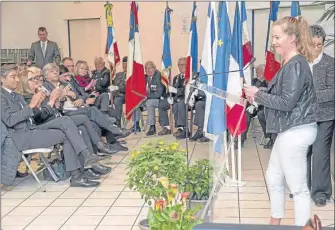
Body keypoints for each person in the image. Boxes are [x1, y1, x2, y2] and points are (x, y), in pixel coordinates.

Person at [244, 16, 317, 226]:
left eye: (277, 37)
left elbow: (286, 103)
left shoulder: (295, 64)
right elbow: (284, 95)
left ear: (292, 38)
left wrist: (258, 94)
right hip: (289, 130)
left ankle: (303, 226)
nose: (273, 42)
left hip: (296, 130)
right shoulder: (291, 63)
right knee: (274, 177)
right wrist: (259, 93)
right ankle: (274, 222)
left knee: (299, 188)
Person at [1, 66, 100, 187]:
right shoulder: (2, 97)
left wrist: (38, 105)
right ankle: (81, 165)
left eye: (17, 76)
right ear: (2, 78)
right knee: (66, 130)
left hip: (32, 129)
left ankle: (78, 172)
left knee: (66, 128)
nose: (17, 80)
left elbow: (32, 117)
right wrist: (32, 106)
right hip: (21, 136)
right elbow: (10, 120)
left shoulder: (16, 95)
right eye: (13, 77)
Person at [307, 25, 335, 207]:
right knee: (302, 153)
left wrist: (311, 95)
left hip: (325, 116)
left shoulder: (330, 63)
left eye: (320, 45)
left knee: (320, 153)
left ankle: (321, 192)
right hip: (303, 116)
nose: (316, 48)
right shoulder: (299, 62)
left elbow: (332, 91)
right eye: (313, 44)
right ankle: (302, 187)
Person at [158, 57, 188, 138]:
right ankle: (166, 127)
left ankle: (182, 128)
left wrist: (176, 91)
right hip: (176, 99)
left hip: (186, 99)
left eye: (184, 65)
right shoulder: (176, 78)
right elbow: (171, 91)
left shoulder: (191, 76)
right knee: (162, 104)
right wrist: (168, 97)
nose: (182, 67)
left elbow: (188, 90)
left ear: (188, 65)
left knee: (178, 104)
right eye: (180, 65)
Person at [144, 61, 164, 136]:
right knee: (135, 102)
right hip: (147, 98)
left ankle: (152, 127)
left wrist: (147, 97)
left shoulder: (159, 76)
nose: (148, 70)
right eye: (146, 68)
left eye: (150, 68)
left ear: (154, 68)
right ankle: (136, 124)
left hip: (159, 99)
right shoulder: (145, 77)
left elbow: (158, 93)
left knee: (149, 103)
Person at [110, 56, 127, 128]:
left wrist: (117, 88)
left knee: (117, 100)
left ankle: (118, 122)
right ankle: (109, 121)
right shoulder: (118, 74)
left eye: (126, 65)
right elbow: (113, 85)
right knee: (106, 98)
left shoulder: (132, 75)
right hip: (117, 95)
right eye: (123, 65)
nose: (124, 66)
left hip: (127, 95)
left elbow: (126, 88)